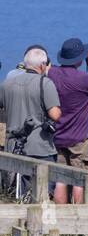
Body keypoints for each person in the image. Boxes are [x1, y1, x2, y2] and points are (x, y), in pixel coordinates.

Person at [47, 37, 88, 204]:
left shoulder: (52, 73)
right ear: (81, 59)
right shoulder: (84, 79)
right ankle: (78, 218)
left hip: (57, 136)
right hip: (79, 138)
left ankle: (60, 218)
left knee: (60, 178)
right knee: (80, 179)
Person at [0, 46, 61, 199]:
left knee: (14, 193)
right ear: (42, 65)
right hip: (40, 147)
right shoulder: (45, 83)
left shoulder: (7, 84)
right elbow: (55, 114)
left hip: (13, 145)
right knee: (41, 194)